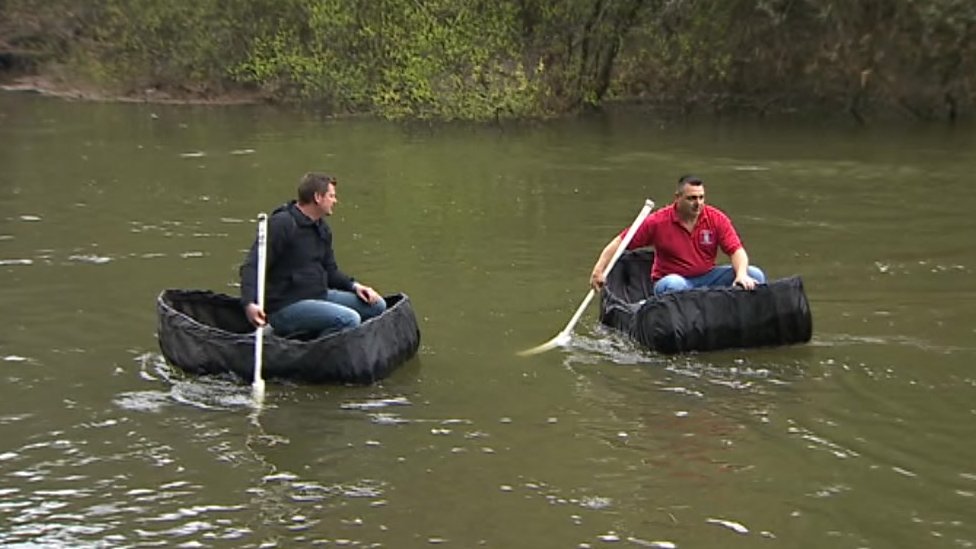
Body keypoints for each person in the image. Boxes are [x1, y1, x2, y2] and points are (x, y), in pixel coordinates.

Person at [239, 172, 386, 339]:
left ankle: (321, 332)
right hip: (286, 305)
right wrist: (249, 304)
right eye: (331, 196)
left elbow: (330, 271)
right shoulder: (282, 224)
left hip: (318, 295)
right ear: (317, 197)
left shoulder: (322, 229)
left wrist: (356, 287)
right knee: (349, 319)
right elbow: (252, 266)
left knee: (377, 306)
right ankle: (310, 350)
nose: (335, 201)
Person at [590, 175, 765, 295]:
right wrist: (599, 270)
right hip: (672, 281)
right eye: (692, 199)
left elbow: (737, 251)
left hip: (707, 278)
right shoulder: (658, 222)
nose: (698, 204)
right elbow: (621, 241)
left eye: (701, 198)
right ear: (677, 198)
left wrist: (741, 274)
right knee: (676, 285)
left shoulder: (716, 218)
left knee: (755, 275)